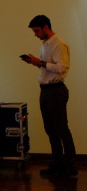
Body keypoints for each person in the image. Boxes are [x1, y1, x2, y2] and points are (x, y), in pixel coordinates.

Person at [22, 15, 77, 177]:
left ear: (46, 27)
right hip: (46, 90)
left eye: (37, 31)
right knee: (50, 129)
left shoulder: (58, 44)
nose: (35, 34)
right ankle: (57, 163)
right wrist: (36, 62)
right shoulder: (45, 44)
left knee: (61, 128)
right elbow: (47, 67)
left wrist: (40, 63)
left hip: (56, 90)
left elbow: (62, 68)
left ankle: (70, 166)